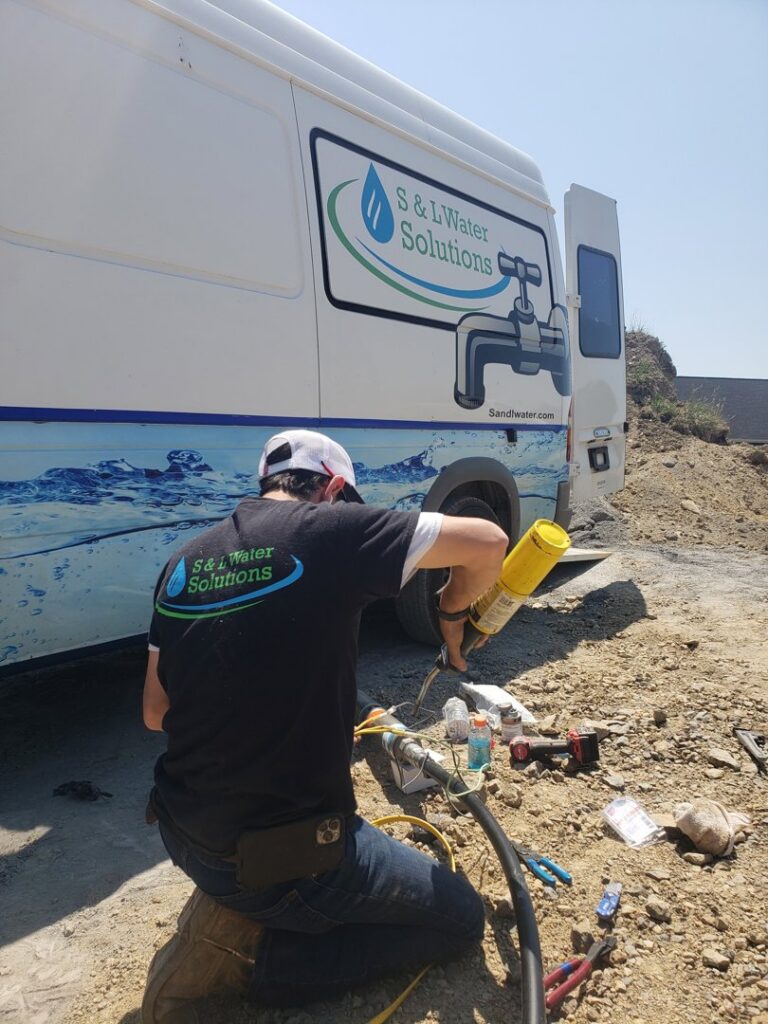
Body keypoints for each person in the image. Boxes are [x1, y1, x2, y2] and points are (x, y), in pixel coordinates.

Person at [141, 429, 508, 1023]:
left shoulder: (184, 562)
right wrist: (451, 611)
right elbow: (488, 542)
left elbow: (155, 712)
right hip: (281, 861)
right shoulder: (332, 531)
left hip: (182, 834)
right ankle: (258, 964)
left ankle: (247, 908)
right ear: (334, 488)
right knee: (459, 918)